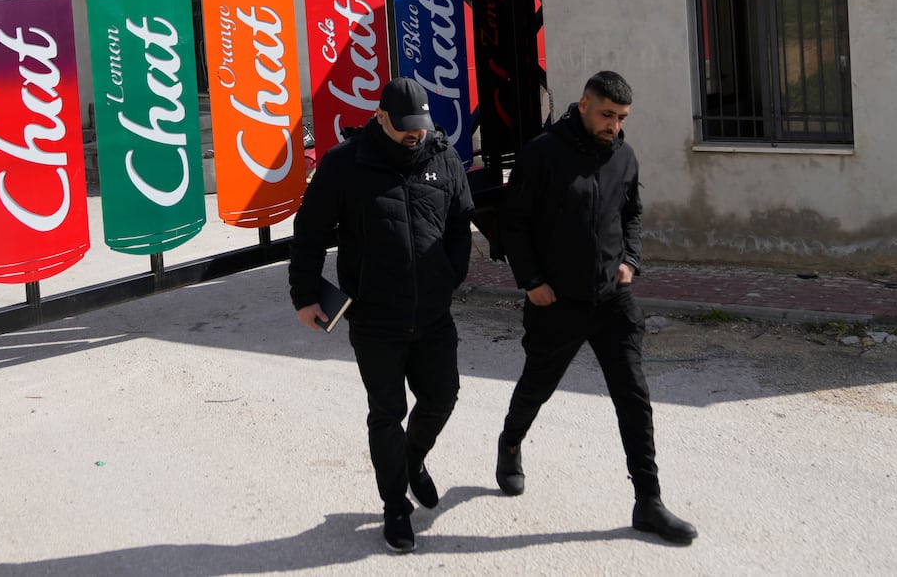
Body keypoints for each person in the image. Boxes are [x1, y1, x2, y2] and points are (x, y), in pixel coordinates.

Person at [493, 70, 697, 544]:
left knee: (634, 398)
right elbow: (513, 223)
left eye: (622, 117)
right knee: (536, 387)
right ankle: (510, 444)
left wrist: (631, 260)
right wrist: (532, 282)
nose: (614, 125)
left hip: (612, 300)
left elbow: (632, 214)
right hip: (556, 300)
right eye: (607, 114)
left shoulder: (624, 156)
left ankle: (648, 500)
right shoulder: (541, 154)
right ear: (583, 104)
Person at [288, 76, 475, 554]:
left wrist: (451, 274)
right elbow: (310, 231)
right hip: (374, 318)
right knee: (387, 413)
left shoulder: (442, 157)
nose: (414, 138)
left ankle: (413, 460)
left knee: (443, 396)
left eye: (420, 129)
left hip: (432, 313)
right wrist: (304, 295)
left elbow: (460, 222)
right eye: (404, 130)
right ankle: (395, 505)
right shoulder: (344, 164)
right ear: (380, 119)